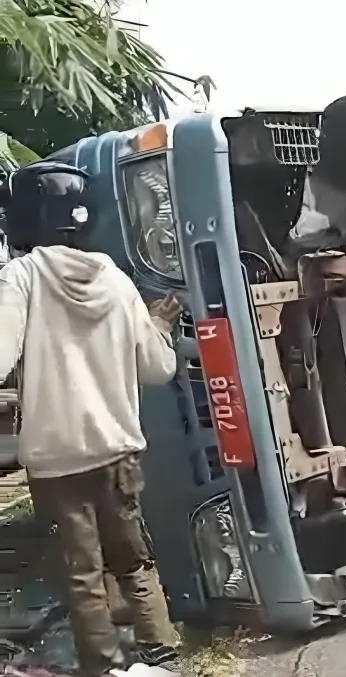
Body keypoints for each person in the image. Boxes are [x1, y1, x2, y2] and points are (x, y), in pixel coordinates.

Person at [0, 163, 182, 677]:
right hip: (117, 449)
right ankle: (161, 652)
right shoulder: (117, 280)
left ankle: (103, 666)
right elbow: (157, 367)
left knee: (83, 573)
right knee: (134, 560)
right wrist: (157, 325)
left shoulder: (21, 277)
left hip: (57, 461)